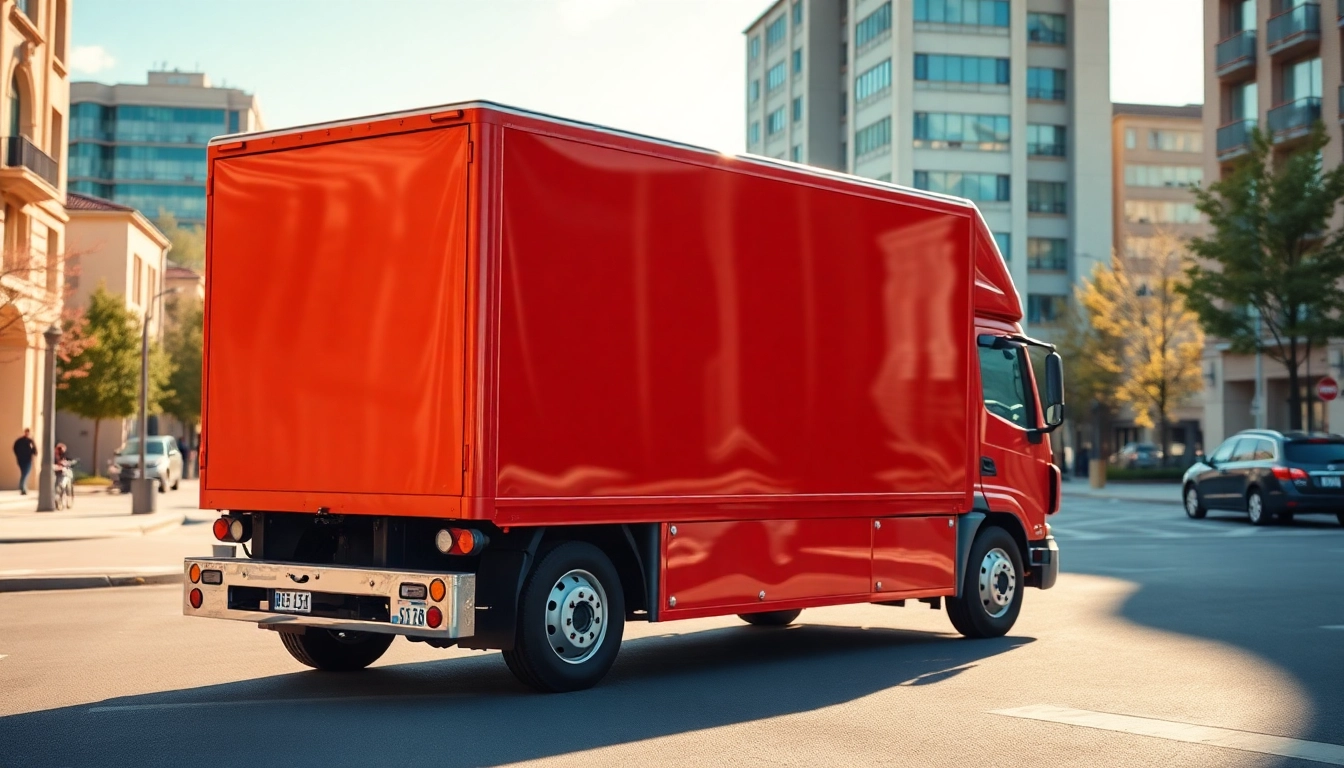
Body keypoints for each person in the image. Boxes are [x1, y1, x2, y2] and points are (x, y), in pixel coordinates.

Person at [13, 428, 37, 494]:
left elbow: (34, 450)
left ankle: (23, 487)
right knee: (25, 473)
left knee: (24, 473)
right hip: (24, 459)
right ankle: (22, 487)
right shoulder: (23, 441)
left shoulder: (29, 441)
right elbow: (15, 448)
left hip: (26, 459)